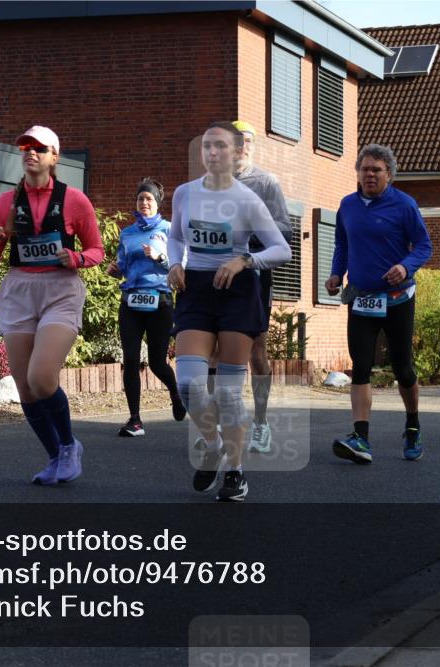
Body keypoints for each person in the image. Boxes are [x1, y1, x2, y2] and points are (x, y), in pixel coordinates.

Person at [167, 121, 291, 501]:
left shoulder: (248, 199)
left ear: (237, 153)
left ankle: (235, 473)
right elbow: (174, 236)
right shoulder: (185, 194)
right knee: (188, 383)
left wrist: (245, 261)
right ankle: (213, 443)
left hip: (237, 291)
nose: (212, 153)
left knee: (227, 394)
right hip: (196, 290)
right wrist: (174, 263)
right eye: (206, 146)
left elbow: (281, 249)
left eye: (221, 146)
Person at [0, 125, 103, 485]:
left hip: (60, 290)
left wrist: (75, 258)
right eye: (25, 147)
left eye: (39, 148)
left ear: (54, 157)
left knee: (41, 377)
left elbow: (97, 250)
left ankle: (69, 445)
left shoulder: (75, 200)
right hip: (19, 289)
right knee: (25, 386)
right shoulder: (5, 202)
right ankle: (56, 455)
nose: (30, 152)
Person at [325, 144, 433, 464]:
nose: (369, 175)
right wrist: (335, 273)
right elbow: (342, 244)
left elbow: (424, 246)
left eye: (376, 170)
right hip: (362, 298)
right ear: (357, 173)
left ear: (389, 174)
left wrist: (406, 267)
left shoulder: (404, 205)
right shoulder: (347, 206)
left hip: (398, 298)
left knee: (403, 367)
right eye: (364, 169)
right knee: (360, 366)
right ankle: (361, 437)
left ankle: (412, 424)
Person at [105, 179, 187, 436]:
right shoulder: (127, 233)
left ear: (157, 203)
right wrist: (116, 270)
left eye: (149, 199)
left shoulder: (169, 229)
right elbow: (123, 264)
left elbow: (179, 265)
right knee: (130, 359)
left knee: (156, 362)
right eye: (140, 199)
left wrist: (160, 257)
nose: (144, 203)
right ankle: (135, 420)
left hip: (160, 300)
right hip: (131, 299)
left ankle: (175, 393)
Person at [231, 120, 293, 454]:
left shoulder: (266, 182)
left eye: (248, 141)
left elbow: (286, 231)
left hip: (254, 274)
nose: (243, 146)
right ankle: (224, 424)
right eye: (237, 140)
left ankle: (260, 423)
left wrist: (253, 233)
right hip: (215, 273)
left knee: (256, 350)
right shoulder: (211, 184)